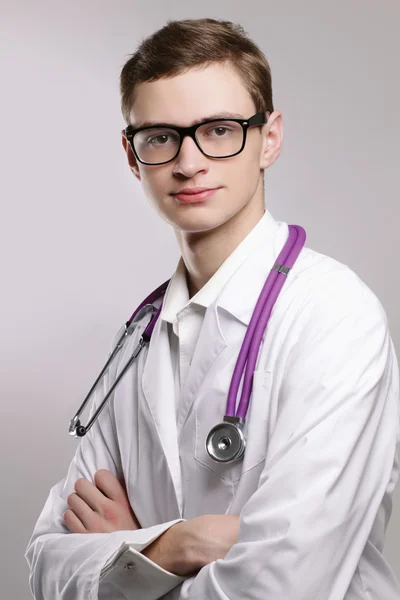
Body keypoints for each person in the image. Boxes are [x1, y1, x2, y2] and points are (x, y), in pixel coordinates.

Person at [25, 17, 400, 600]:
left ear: (269, 138)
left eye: (220, 130)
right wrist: (180, 544)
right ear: (132, 155)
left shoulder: (334, 318)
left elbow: (283, 587)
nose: (190, 161)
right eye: (160, 136)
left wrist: (132, 558)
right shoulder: (140, 342)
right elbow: (47, 563)